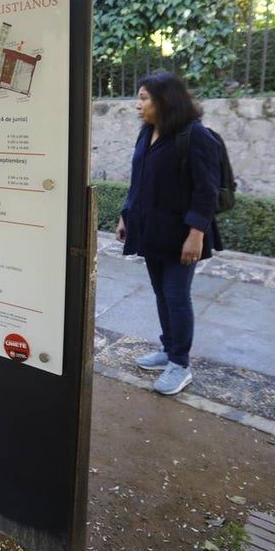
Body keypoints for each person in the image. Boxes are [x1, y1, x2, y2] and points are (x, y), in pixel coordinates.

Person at [116, 71, 223, 396]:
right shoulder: (147, 132)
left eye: (144, 98)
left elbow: (207, 191)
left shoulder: (195, 136)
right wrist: (125, 215)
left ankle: (180, 363)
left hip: (182, 235)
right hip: (152, 231)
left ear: (165, 100)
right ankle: (168, 348)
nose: (138, 105)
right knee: (161, 294)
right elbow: (138, 180)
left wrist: (196, 235)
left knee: (177, 297)